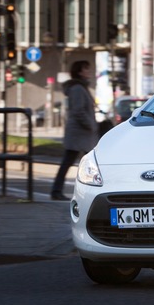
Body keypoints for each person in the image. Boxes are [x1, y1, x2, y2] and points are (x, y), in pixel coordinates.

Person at [51, 60, 98, 201]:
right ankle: (57, 191)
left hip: (81, 133)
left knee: (81, 163)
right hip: (79, 132)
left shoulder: (81, 87)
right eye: (86, 69)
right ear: (79, 71)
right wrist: (91, 125)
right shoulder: (78, 88)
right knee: (87, 163)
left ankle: (57, 190)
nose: (89, 72)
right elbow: (78, 111)